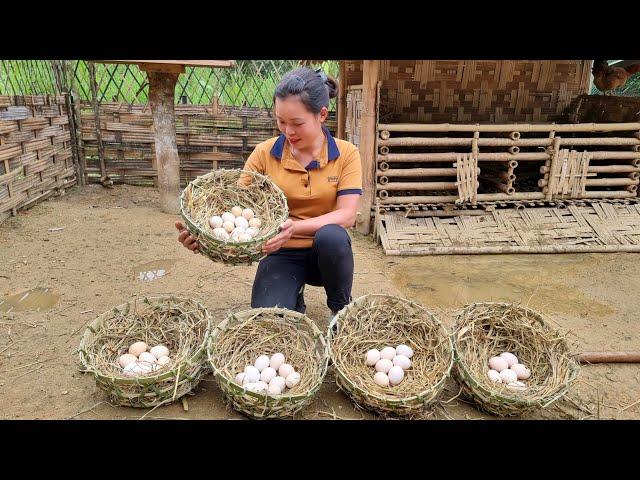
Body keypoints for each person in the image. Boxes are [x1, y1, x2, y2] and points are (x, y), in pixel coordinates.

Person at [175, 67, 362, 320]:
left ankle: (340, 309)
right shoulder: (265, 154)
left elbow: (347, 215)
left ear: (322, 115)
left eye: (297, 123)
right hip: (281, 251)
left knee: (333, 237)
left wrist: (293, 228)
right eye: (281, 121)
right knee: (268, 318)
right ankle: (292, 296)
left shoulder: (346, 153)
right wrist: (205, 238)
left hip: (326, 256)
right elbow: (236, 211)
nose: (288, 131)